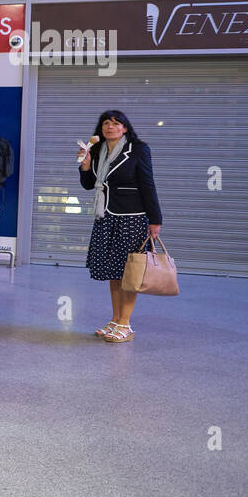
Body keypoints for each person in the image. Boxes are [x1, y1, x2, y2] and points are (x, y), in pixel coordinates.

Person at [79, 109, 162, 345]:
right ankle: (115, 320)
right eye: (106, 123)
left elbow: (148, 184)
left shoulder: (137, 149)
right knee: (113, 273)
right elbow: (89, 185)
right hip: (106, 216)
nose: (110, 127)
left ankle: (126, 324)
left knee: (129, 273)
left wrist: (155, 220)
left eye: (116, 123)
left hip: (132, 217)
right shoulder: (96, 150)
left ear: (125, 128)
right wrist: (85, 165)